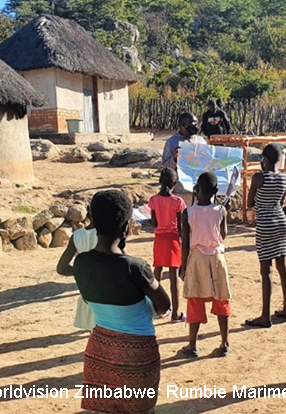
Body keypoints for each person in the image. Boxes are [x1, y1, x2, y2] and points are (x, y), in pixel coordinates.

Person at [73, 190, 170, 413]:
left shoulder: (81, 263)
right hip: (137, 355)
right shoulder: (136, 267)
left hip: (100, 351)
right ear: (127, 226)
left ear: (93, 222)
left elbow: (89, 300)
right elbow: (164, 306)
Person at [180, 172, 231, 357]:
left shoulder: (188, 212)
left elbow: (185, 244)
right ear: (215, 191)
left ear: (198, 189)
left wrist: (183, 267)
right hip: (217, 258)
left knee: (195, 299)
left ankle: (192, 345)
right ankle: (224, 342)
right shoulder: (221, 210)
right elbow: (223, 234)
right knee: (221, 299)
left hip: (197, 258)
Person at [245, 145, 286, 328]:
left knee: (266, 270)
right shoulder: (284, 177)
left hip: (265, 224)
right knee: (282, 266)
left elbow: (250, 202)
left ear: (264, 159)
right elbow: (280, 201)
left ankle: (265, 316)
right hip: (281, 221)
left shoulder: (258, 177)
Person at [150, 168, 187, 322]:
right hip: (173, 240)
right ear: (175, 183)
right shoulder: (178, 202)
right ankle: (175, 313)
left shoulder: (153, 200)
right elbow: (181, 226)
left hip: (159, 238)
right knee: (173, 277)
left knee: (156, 274)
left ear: (160, 181)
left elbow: (154, 222)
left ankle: (157, 309)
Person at [57, 207, 98, 331]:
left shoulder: (77, 236)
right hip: (108, 291)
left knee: (94, 330)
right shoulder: (111, 236)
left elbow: (61, 268)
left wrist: (82, 272)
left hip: (87, 290)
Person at [162, 112, 208, 206]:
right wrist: (174, 159)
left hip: (199, 190)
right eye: (193, 123)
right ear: (183, 125)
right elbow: (164, 167)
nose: (196, 126)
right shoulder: (172, 142)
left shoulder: (201, 141)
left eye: (197, 123)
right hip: (181, 190)